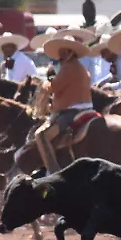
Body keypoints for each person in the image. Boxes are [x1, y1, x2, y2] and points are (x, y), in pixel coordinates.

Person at [32, 35, 94, 172]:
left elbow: (54, 87)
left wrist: (44, 84)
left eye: (65, 52)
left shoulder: (68, 68)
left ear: (71, 53)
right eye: (61, 52)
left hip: (71, 111)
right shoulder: (80, 67)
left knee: (41, 135)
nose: (62, 55)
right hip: (86, 108)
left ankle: (52, 171)